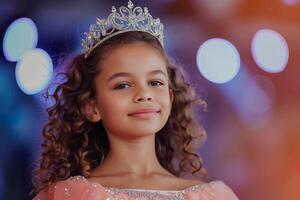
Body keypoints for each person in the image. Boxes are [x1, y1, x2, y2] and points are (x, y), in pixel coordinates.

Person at [31, 1, 239, 199]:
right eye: (123, 85)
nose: (144, 94)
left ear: (170, 97)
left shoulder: (212, 196)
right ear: (91, 106)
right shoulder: (70, 195)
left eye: (155, 82)